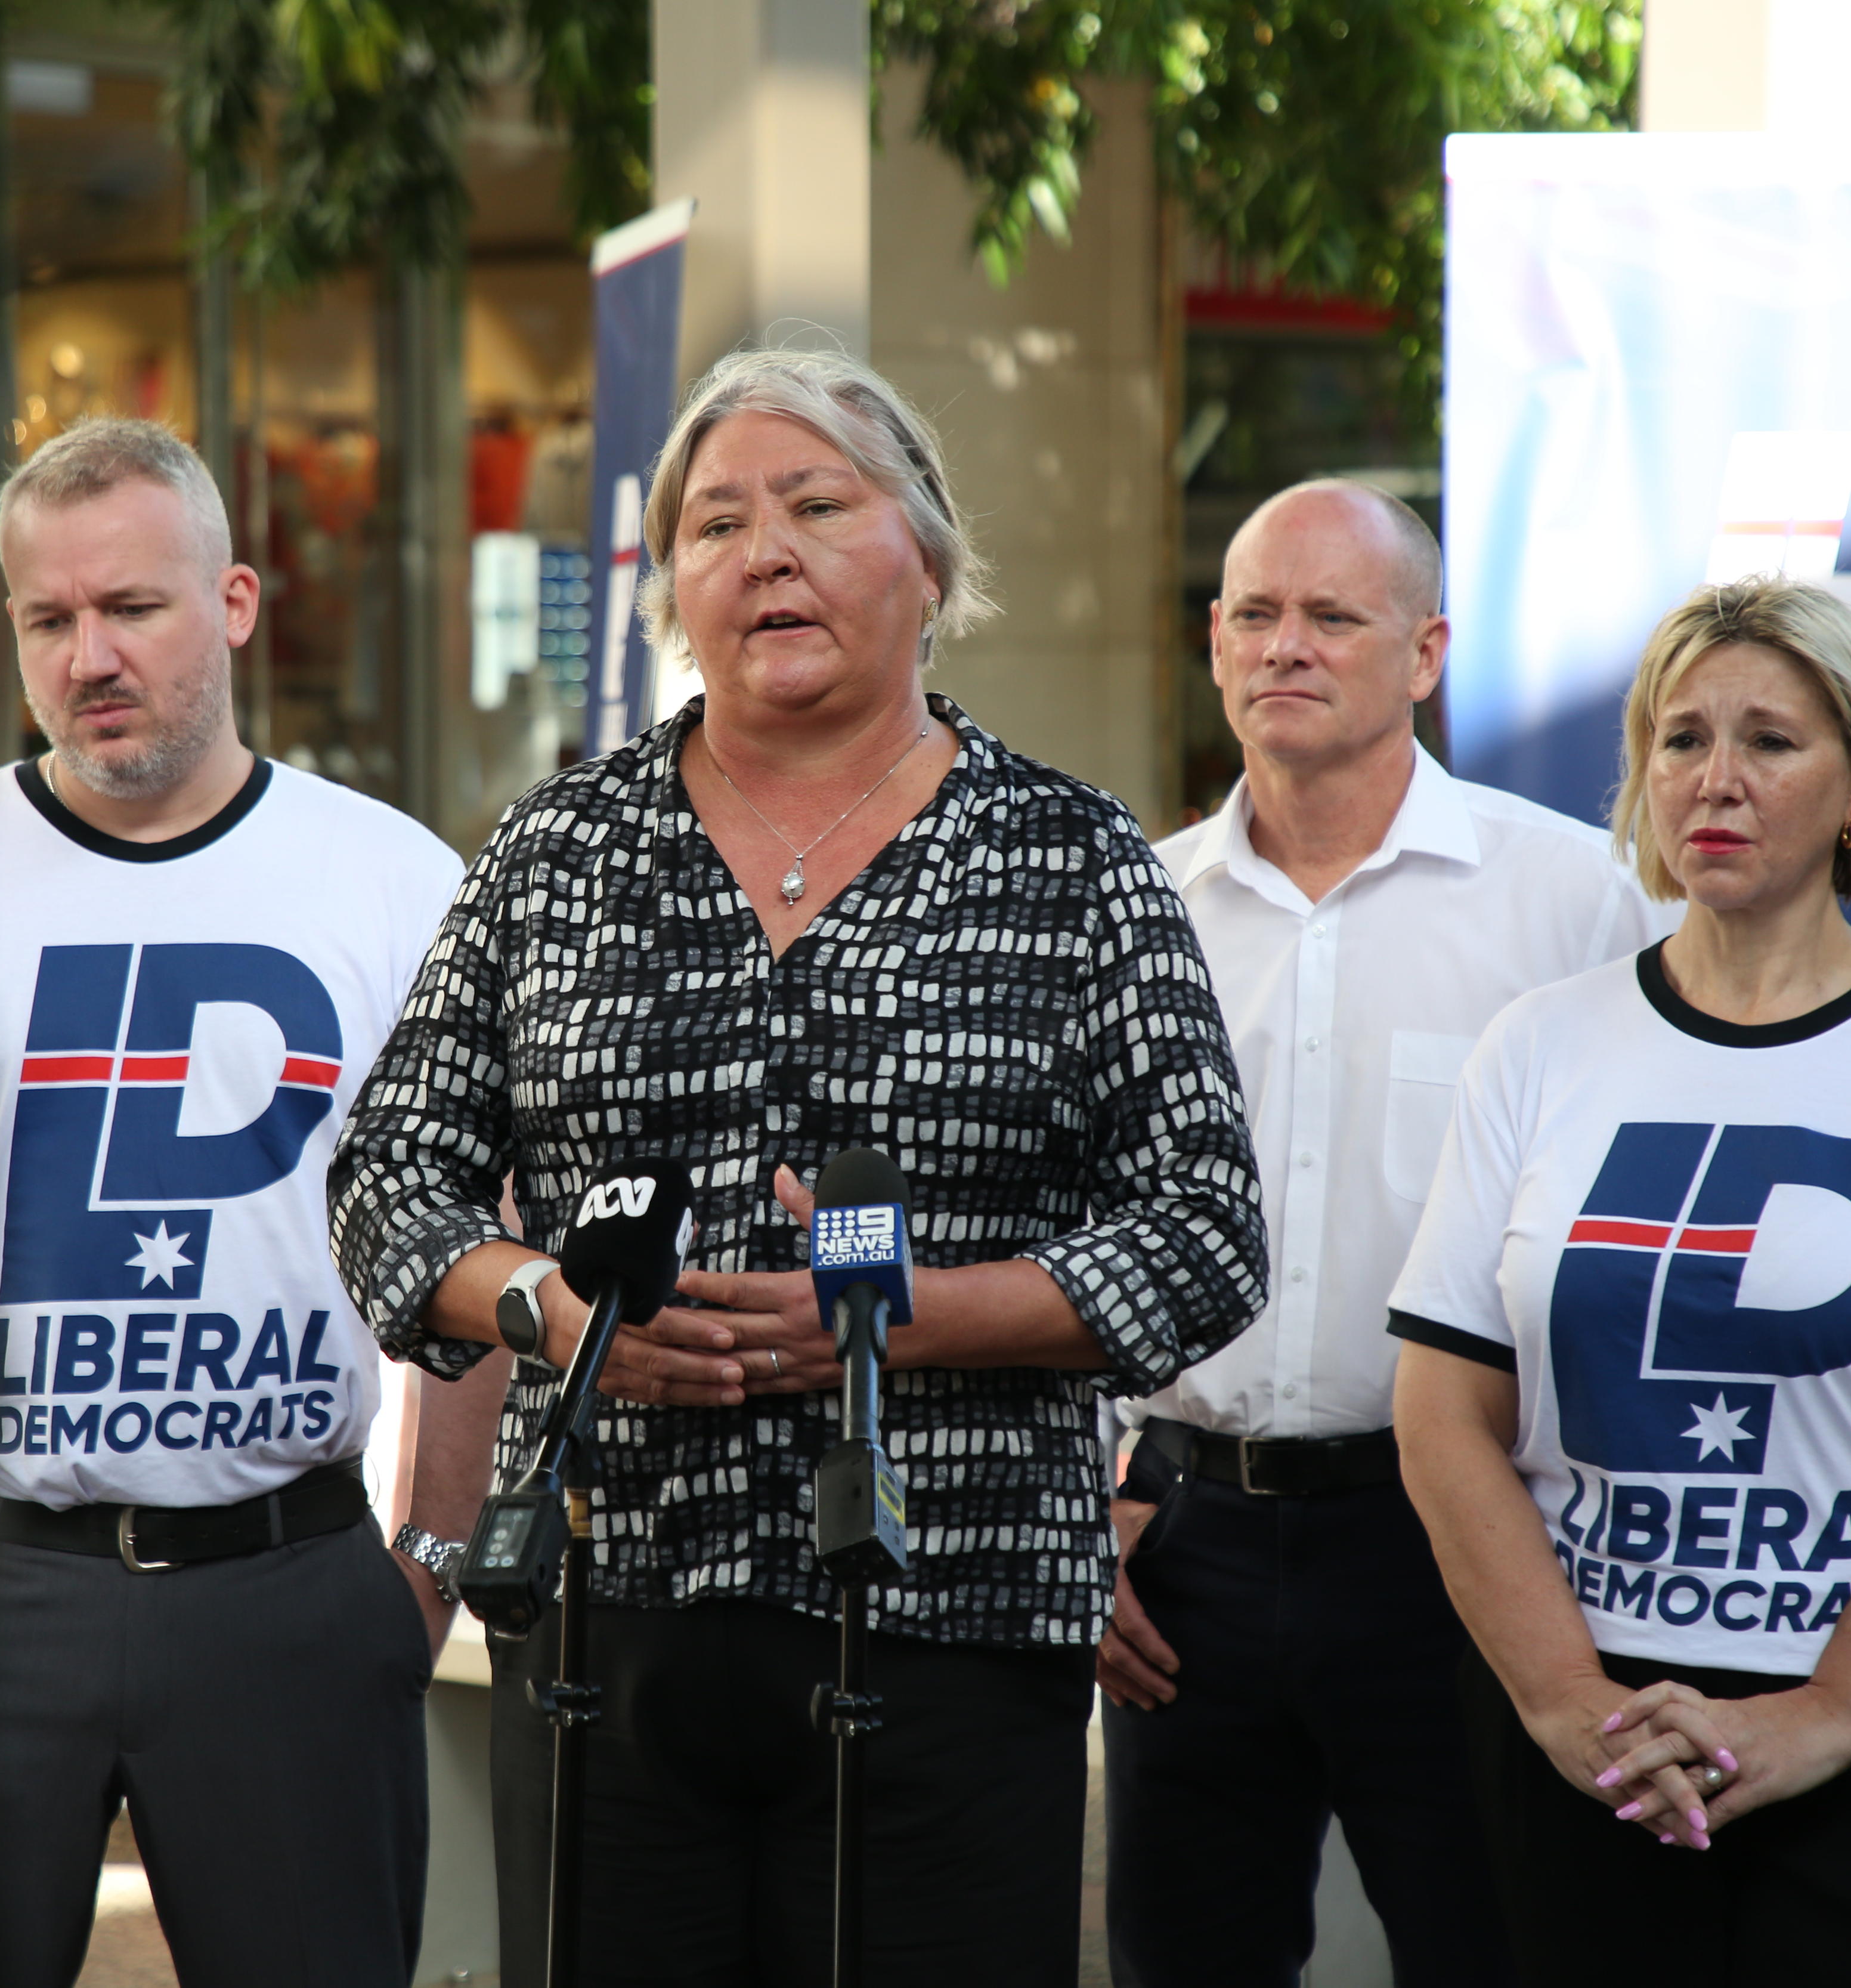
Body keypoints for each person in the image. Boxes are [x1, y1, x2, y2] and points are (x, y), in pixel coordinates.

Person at [327, 347, 1268, 1988]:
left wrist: (896, 1319)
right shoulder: (558, 852)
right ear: (671, 592)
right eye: (714, 522)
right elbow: (390, 1174)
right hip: (611, 1614)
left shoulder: (1071, 857)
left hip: (959, 1617)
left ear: (928, 559)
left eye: (818, 504)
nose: (763, 549)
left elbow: (1204, 1232)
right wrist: (547, 1305)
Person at [0, 416, 478, 1987]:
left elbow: (460, 1241)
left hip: (289, 1589)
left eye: (131, 606)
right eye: (47, 618)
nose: (90, 654)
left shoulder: (397, 879)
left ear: (233, 601)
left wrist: (426, 1556)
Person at [1386, 576, 1851, 1985]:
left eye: (1769, 740)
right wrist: (1565, 1705)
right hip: (1596, 1747)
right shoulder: (1537, 1045)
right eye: (1679, 736)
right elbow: (1439, 1411)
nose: (1714, 778)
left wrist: (1823, 1714)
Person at [1097, 480, 1669, 1986]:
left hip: (1463, 1542)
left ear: (1423, 653)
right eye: (1255, 615)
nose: (1286, 645)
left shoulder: (1573, 904)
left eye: (1332, 617)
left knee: (1497, 1951)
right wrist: (1080, 1516)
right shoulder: (1140, 909)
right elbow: (1069, 1226)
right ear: (1212, 641)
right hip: (1179, 1545)